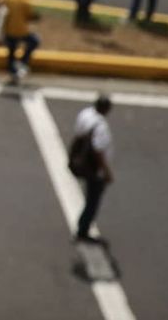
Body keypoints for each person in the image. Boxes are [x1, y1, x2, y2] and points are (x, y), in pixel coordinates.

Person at [69, 94, 115, 243]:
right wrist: (106, 172)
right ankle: (83, 229)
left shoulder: (85, 114)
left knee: (90, 197)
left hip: (80, 161)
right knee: (93, 200)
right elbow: (98, 151)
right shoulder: (100, 126)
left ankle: (82, 226)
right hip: (94, 169)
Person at [0, 0, 38, 79]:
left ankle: (12, 71)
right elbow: (30, 15)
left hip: (8, 31)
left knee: (11, 52)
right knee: (35, 41)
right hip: (22, 31)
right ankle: (23, 61)